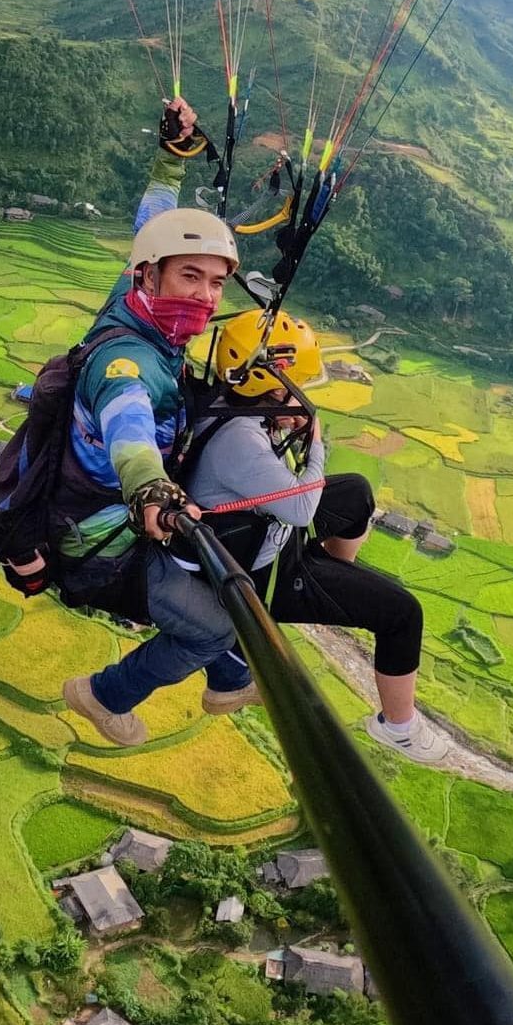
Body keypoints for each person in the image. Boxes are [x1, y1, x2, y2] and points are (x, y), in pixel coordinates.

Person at [53, 98, 260, 748]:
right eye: (189, 277)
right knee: (210, 625)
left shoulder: (134, 300)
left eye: (215, 283)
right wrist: (150, 487)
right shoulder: (126, 362)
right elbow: (129, 431)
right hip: (100, 541)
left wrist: (171, 157)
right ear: (152, 276)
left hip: (110, 512)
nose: (203, 295)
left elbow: (152, 220)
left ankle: (229, 675)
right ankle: (103, 693)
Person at [179, 308, 450, 762]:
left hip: (264, 533)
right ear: (272, 387)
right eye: (298, 390)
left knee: (357, 493)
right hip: (264, 574)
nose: (304, 400)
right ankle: (399, 728)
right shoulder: (240, 441)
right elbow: (303, 507)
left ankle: (333, 579)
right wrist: (316, 440)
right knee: (403, 612)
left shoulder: (231, 409)